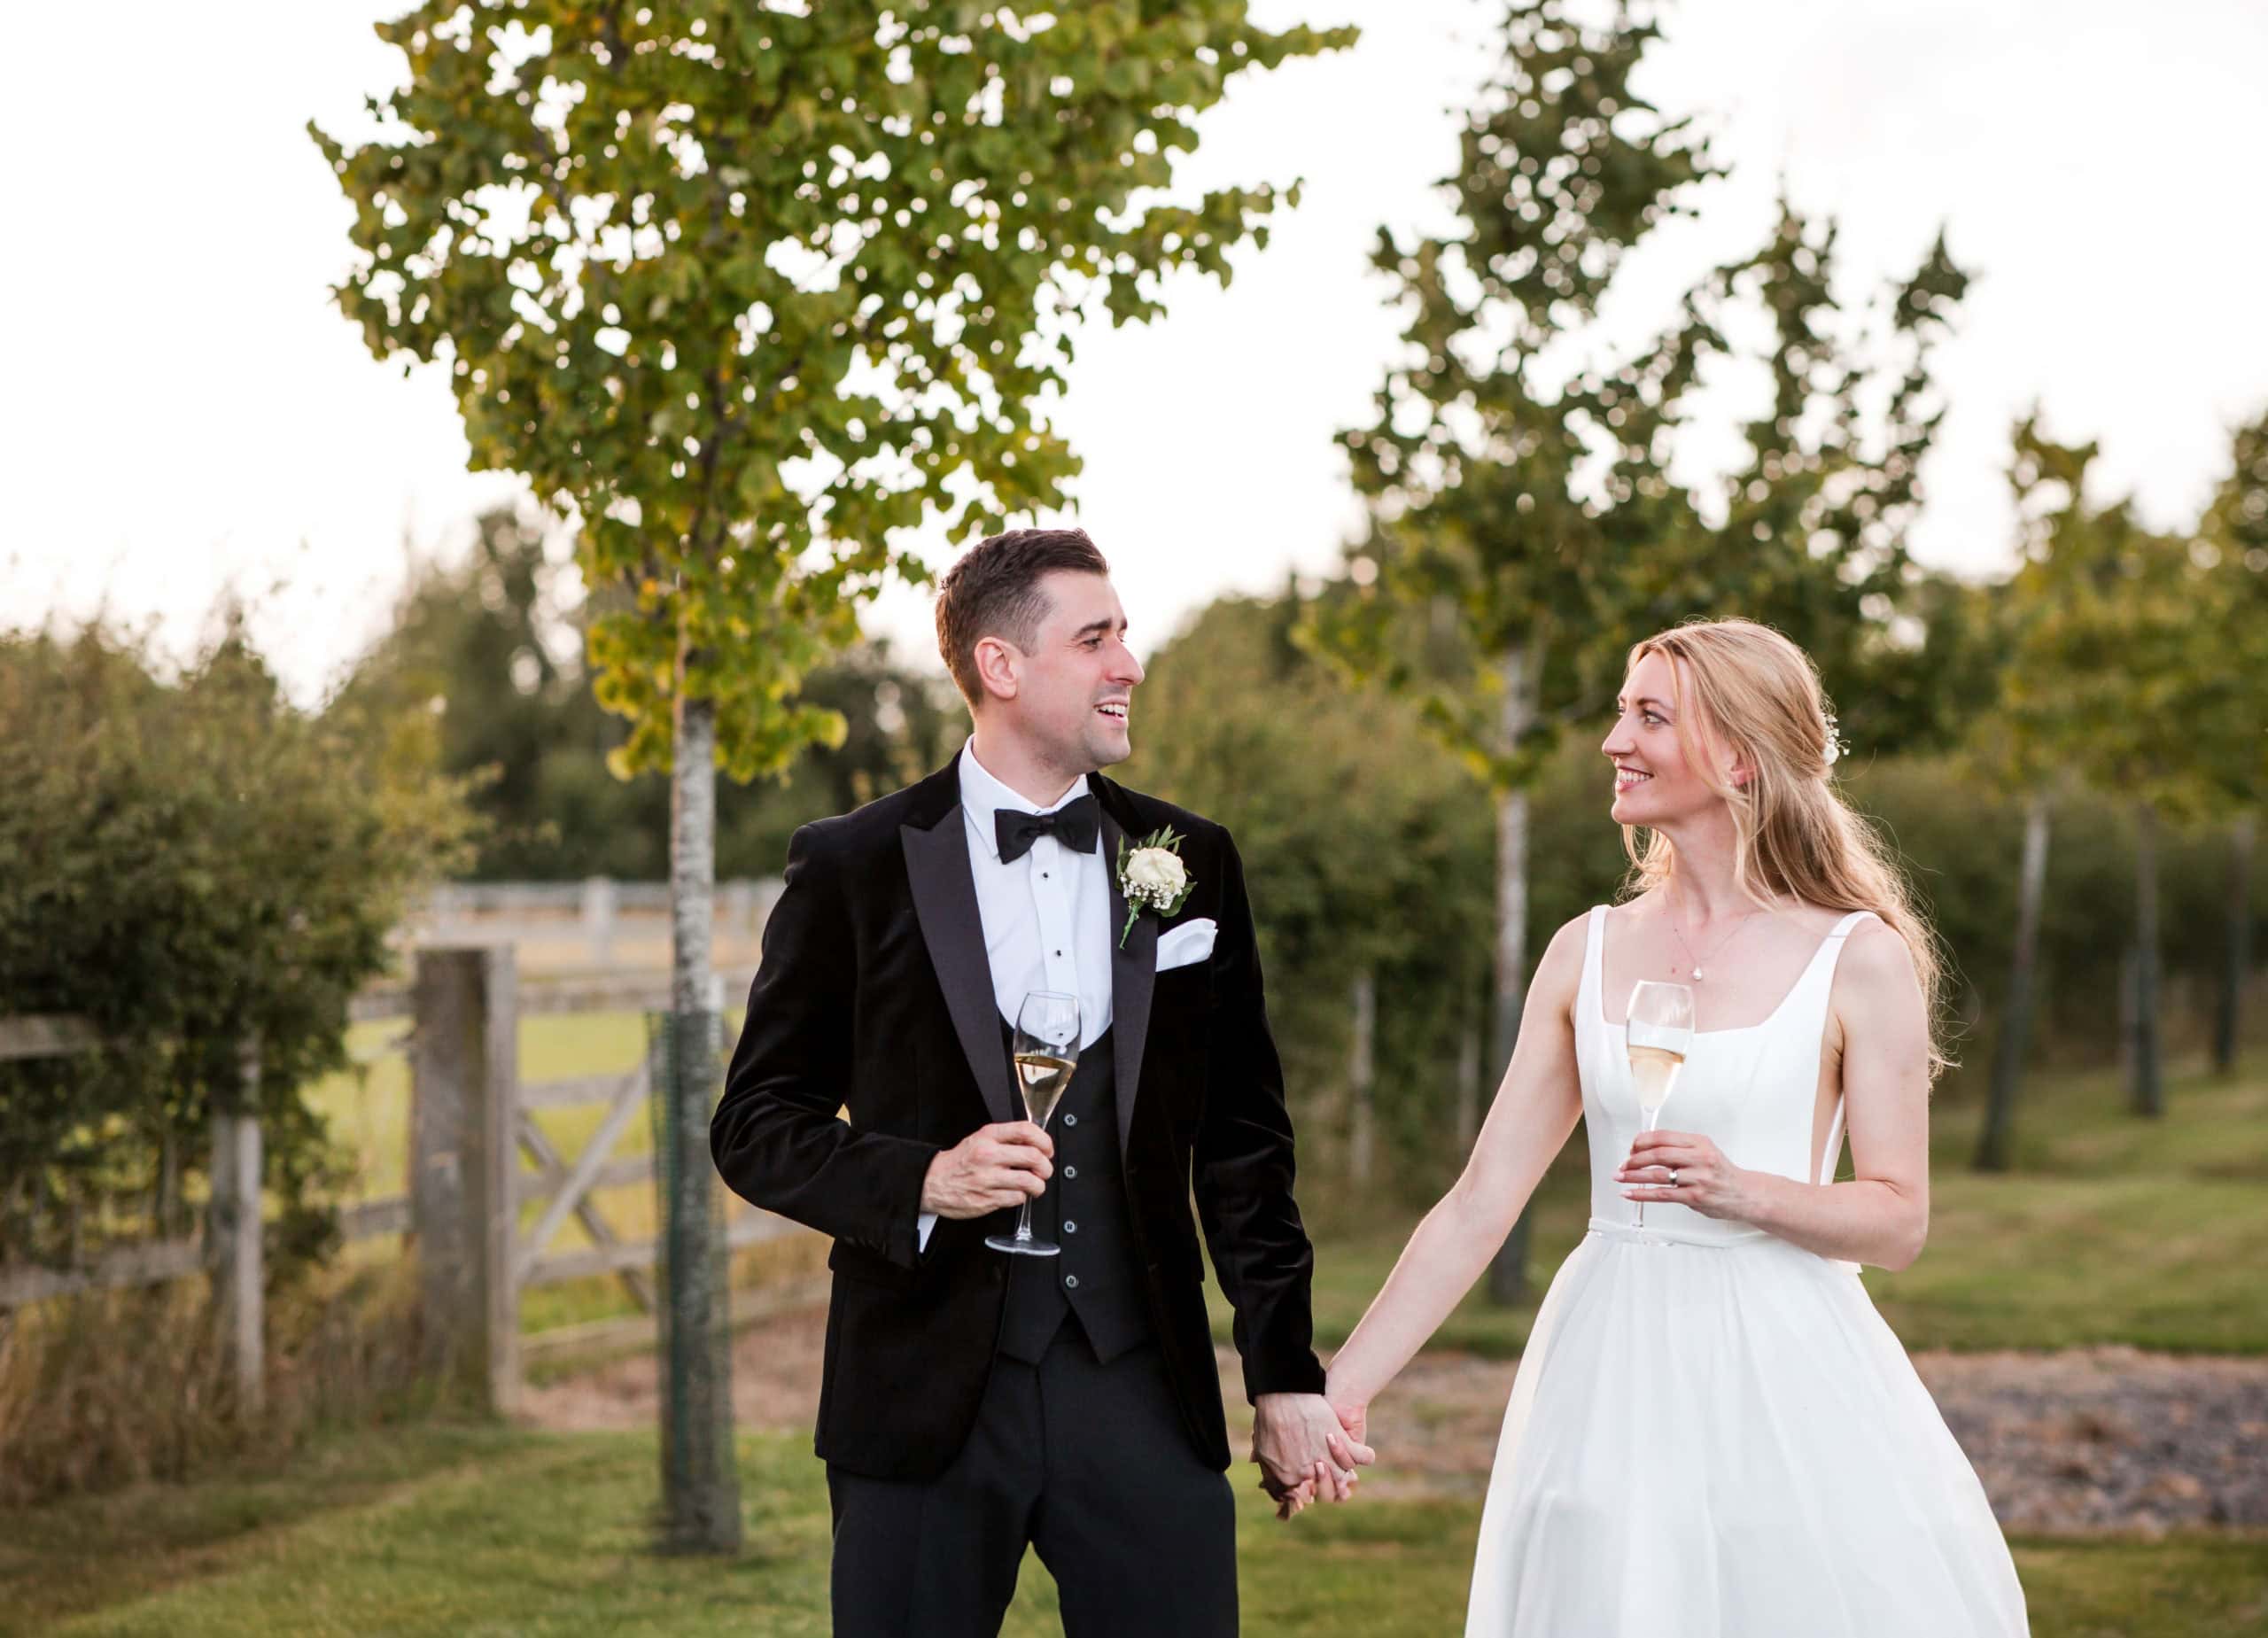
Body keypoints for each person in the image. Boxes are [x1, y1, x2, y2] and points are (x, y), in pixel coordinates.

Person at [711, 528, 1368, 1638]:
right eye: (1096, 637)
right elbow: (754, 1122)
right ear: (999, 666)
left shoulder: (1189, 859)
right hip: (918, 1393)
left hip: (1138, 1382)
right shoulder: (856, 863)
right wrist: (922, 1178)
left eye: (1126, 634)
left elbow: (1245, 1140)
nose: (1130, 664)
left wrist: (1281, 1370)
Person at [1317, 618, 2029, 1634]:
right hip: (1608, 1355)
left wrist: (1747, 1191)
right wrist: (1339, 1391)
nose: (1614, 740)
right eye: (1621, 710)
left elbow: (1897, 1220)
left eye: (1649, 716)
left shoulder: (1856, 958)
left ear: (1738, 755)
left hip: (1783, 1366)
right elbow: (1480, 1203)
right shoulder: (1584, 950)